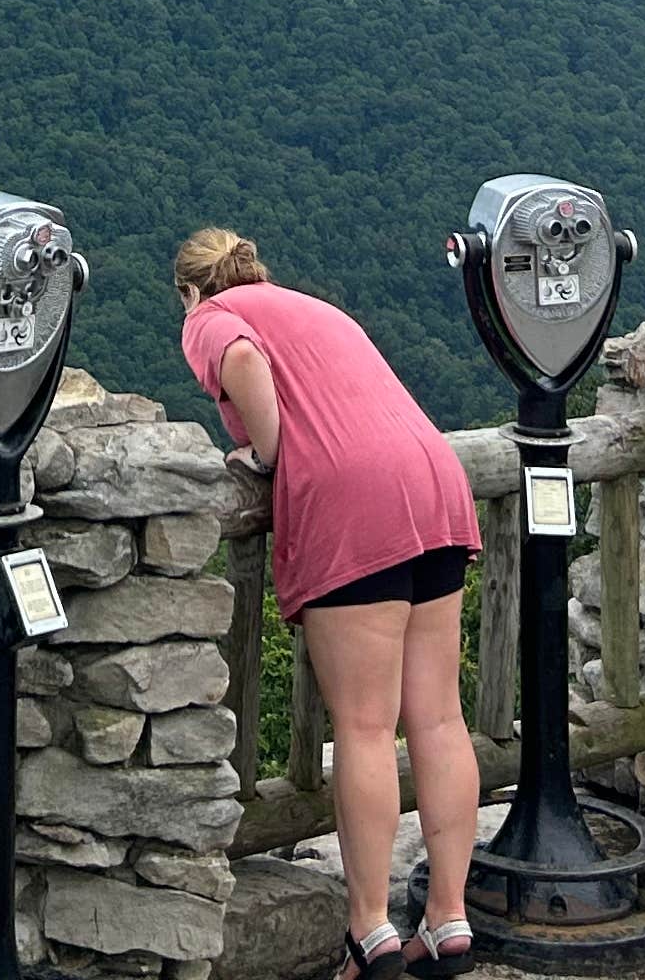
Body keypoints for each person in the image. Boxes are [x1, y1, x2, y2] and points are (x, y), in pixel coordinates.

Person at [174, 226, 483, 976]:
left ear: (189, 289)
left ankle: (370, 932)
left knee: (367, 728)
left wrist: (267, 453)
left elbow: (241, 358)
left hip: (354, 502)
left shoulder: (211, 317)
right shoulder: (310, 307)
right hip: (433, 480)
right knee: (439, 717)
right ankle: (448, 919)